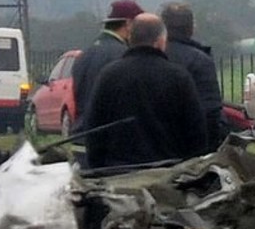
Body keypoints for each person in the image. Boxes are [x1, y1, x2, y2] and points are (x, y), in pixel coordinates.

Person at [80, 14, 207, 169]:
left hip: (117, 174)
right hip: (168, 175)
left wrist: (98, 168)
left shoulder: (108, 75)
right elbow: (196, 132)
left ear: (131, 39)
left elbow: (94, 127)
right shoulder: (178, 77)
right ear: (160, 41)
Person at [159, 2, 224, 151]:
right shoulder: (200, 60)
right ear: (192, 27)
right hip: (190, 148)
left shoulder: (149, 56)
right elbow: (210, 112)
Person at [72, 0, 144, 128]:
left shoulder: (84, 54)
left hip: (81, 134)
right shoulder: (124, 55)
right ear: (128, 24)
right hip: (108, 138)